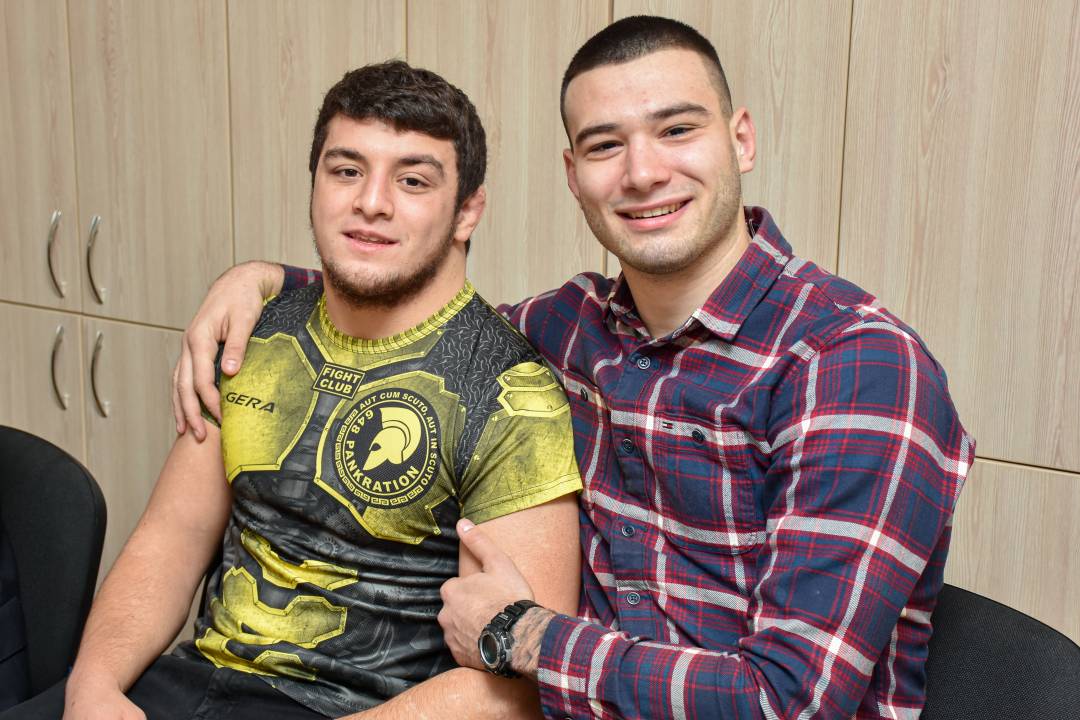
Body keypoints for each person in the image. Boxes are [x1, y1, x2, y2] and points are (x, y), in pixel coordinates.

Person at [173, 17, 974, 720]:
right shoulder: (569, 327)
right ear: (573, 175)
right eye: (604, 145)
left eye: (676, 130)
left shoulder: (856, 368)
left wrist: (523, 633)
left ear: (741, 140)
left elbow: (786, 701)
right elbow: (407, 305)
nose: (642, 172)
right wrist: (266, 284)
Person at [11, 61, 584, 720]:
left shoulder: (511, 394)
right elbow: (171, 536)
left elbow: (517, 685)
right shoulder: (253, 334)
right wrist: (94, 685)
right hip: (192, 681)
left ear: (467, 211)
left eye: (413, 180)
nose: (372, 202)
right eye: (346, 170)